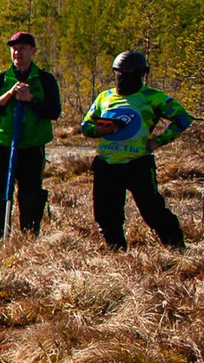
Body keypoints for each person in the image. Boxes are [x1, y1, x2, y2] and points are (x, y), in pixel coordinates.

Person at [78, 49, 191, 251]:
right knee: (105, 215)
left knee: (153, 211)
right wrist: (99, 129)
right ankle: (116, 253)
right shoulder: (105, 97)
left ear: (141, 73)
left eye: (129, 71)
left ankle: (176, 247)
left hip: (137, 163)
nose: (123, 76)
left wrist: (159, 141)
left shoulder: (151, 97)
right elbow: (85, 126)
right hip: (106, 164)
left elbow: (182, 118)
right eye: (119, 71)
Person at [0, 30, 61, 237]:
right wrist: (9, 95)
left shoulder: (45, 79)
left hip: (32, 146)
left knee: (30, 194)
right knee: (0, 193)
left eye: (22, 48)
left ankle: (28, 238)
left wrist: (31, 99)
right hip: (1, 145)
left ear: (33, 51)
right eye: (14, 49)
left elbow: (54, 111)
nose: (17, 53)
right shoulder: (0, 78)